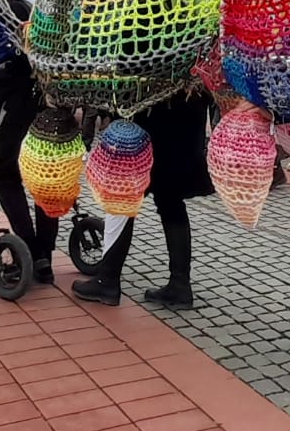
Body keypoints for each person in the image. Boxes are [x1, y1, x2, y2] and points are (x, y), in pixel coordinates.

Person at [75, 88, 213, 309]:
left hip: (149, 113)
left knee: (123, 192)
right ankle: (179, 284)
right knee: (170, 198)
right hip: (187, 111)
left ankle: (107, 279)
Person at [0, 0, 62, 285]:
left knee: (4, 173)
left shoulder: (16, 15)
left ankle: (31, 247)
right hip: (56, 115)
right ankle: (45, 255)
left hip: (24, 112)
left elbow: (10, 68)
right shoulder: (55, 17)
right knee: (47, 181)